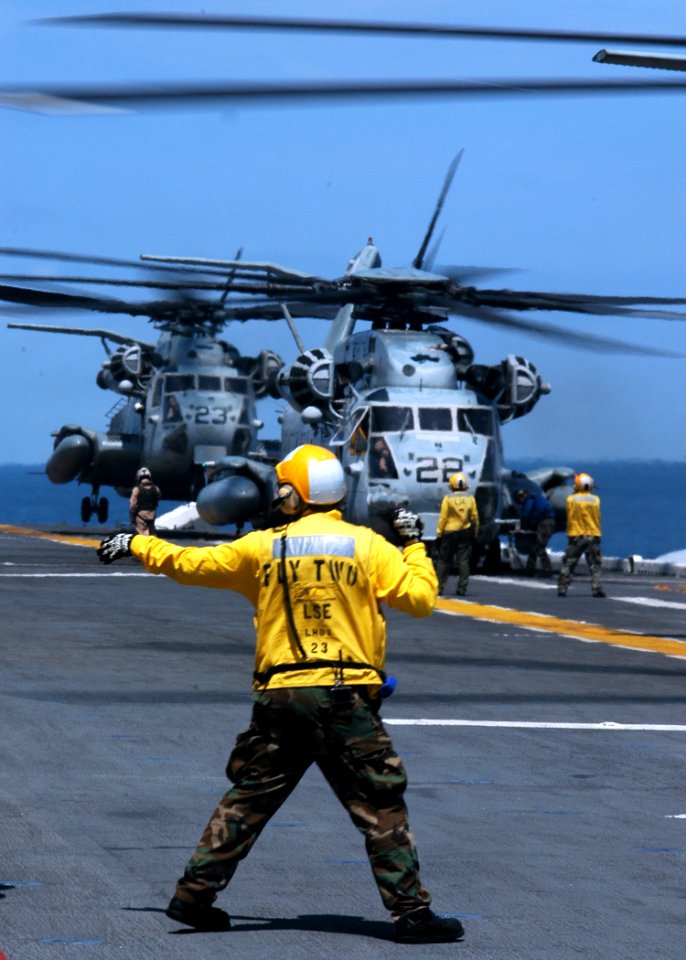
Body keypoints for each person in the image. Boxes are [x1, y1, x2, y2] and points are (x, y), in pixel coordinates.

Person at [97, 444, 464, 944]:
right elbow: (421, 599)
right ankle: (412, 915)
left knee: (249, 797)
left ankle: (193, 896)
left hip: (282, 698)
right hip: (343, 699)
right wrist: (414, 544)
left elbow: (187, 563)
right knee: (379, 800)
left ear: (294, 493)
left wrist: (137, 541)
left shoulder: (263, 547)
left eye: (284, 486)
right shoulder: (367, 546)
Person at [558, 472, 606, 598]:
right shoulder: (595, 500)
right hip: (592, 535)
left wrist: (575, 488)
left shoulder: (571, 499)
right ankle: (596, 588)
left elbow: (570, 511)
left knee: (569, 562)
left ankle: (563, 587)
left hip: (576, 536)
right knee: (595, 564)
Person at [434, 472, 479, 596]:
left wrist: (439, 534)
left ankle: (439, 588)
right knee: (463, 561)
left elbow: (443, 518)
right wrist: (474, 534)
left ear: (452, 485)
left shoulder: (447, 499)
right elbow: (475, 518)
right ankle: (462, 588)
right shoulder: (471, 499)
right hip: (465, 532)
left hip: (449, 532)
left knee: (443, 560)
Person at [514, 488, 556, 577]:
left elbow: (526, 514)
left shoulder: (529, 500)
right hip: (546, 522)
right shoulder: (536, 498)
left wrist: (523, 527)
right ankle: (530, 569)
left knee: (539, 546)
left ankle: (547, 570)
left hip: (545, 523)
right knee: (535, 547)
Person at [128, 467, 161, 536]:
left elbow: (132, 505)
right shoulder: (156, 488)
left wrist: (132, 518)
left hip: (141, 516)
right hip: (152, 515)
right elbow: (158, 498)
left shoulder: (137, 489)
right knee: (152, 535)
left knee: (142, 536)